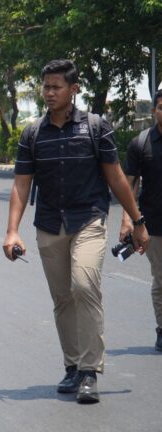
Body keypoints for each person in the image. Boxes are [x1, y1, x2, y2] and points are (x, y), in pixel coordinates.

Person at [3, 60, 148, 405]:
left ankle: (88, 371)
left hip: (89, 220)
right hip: (50, 224)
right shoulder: (32, 133)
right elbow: (22, 185)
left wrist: (136, 221)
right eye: (45, 87)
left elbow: (115, 177)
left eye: (56, 87)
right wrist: (12, 231)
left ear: (74, 89)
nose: (49, 93)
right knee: (62, 299)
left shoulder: (96, 127)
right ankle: (71, 366)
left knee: (84, 286)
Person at [120, 88, 162, 351]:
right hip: (154, 224)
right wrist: (127, 221)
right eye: (161, 106)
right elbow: (129, 186)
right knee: (161, 278)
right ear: (155, 110)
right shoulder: (141, 143)